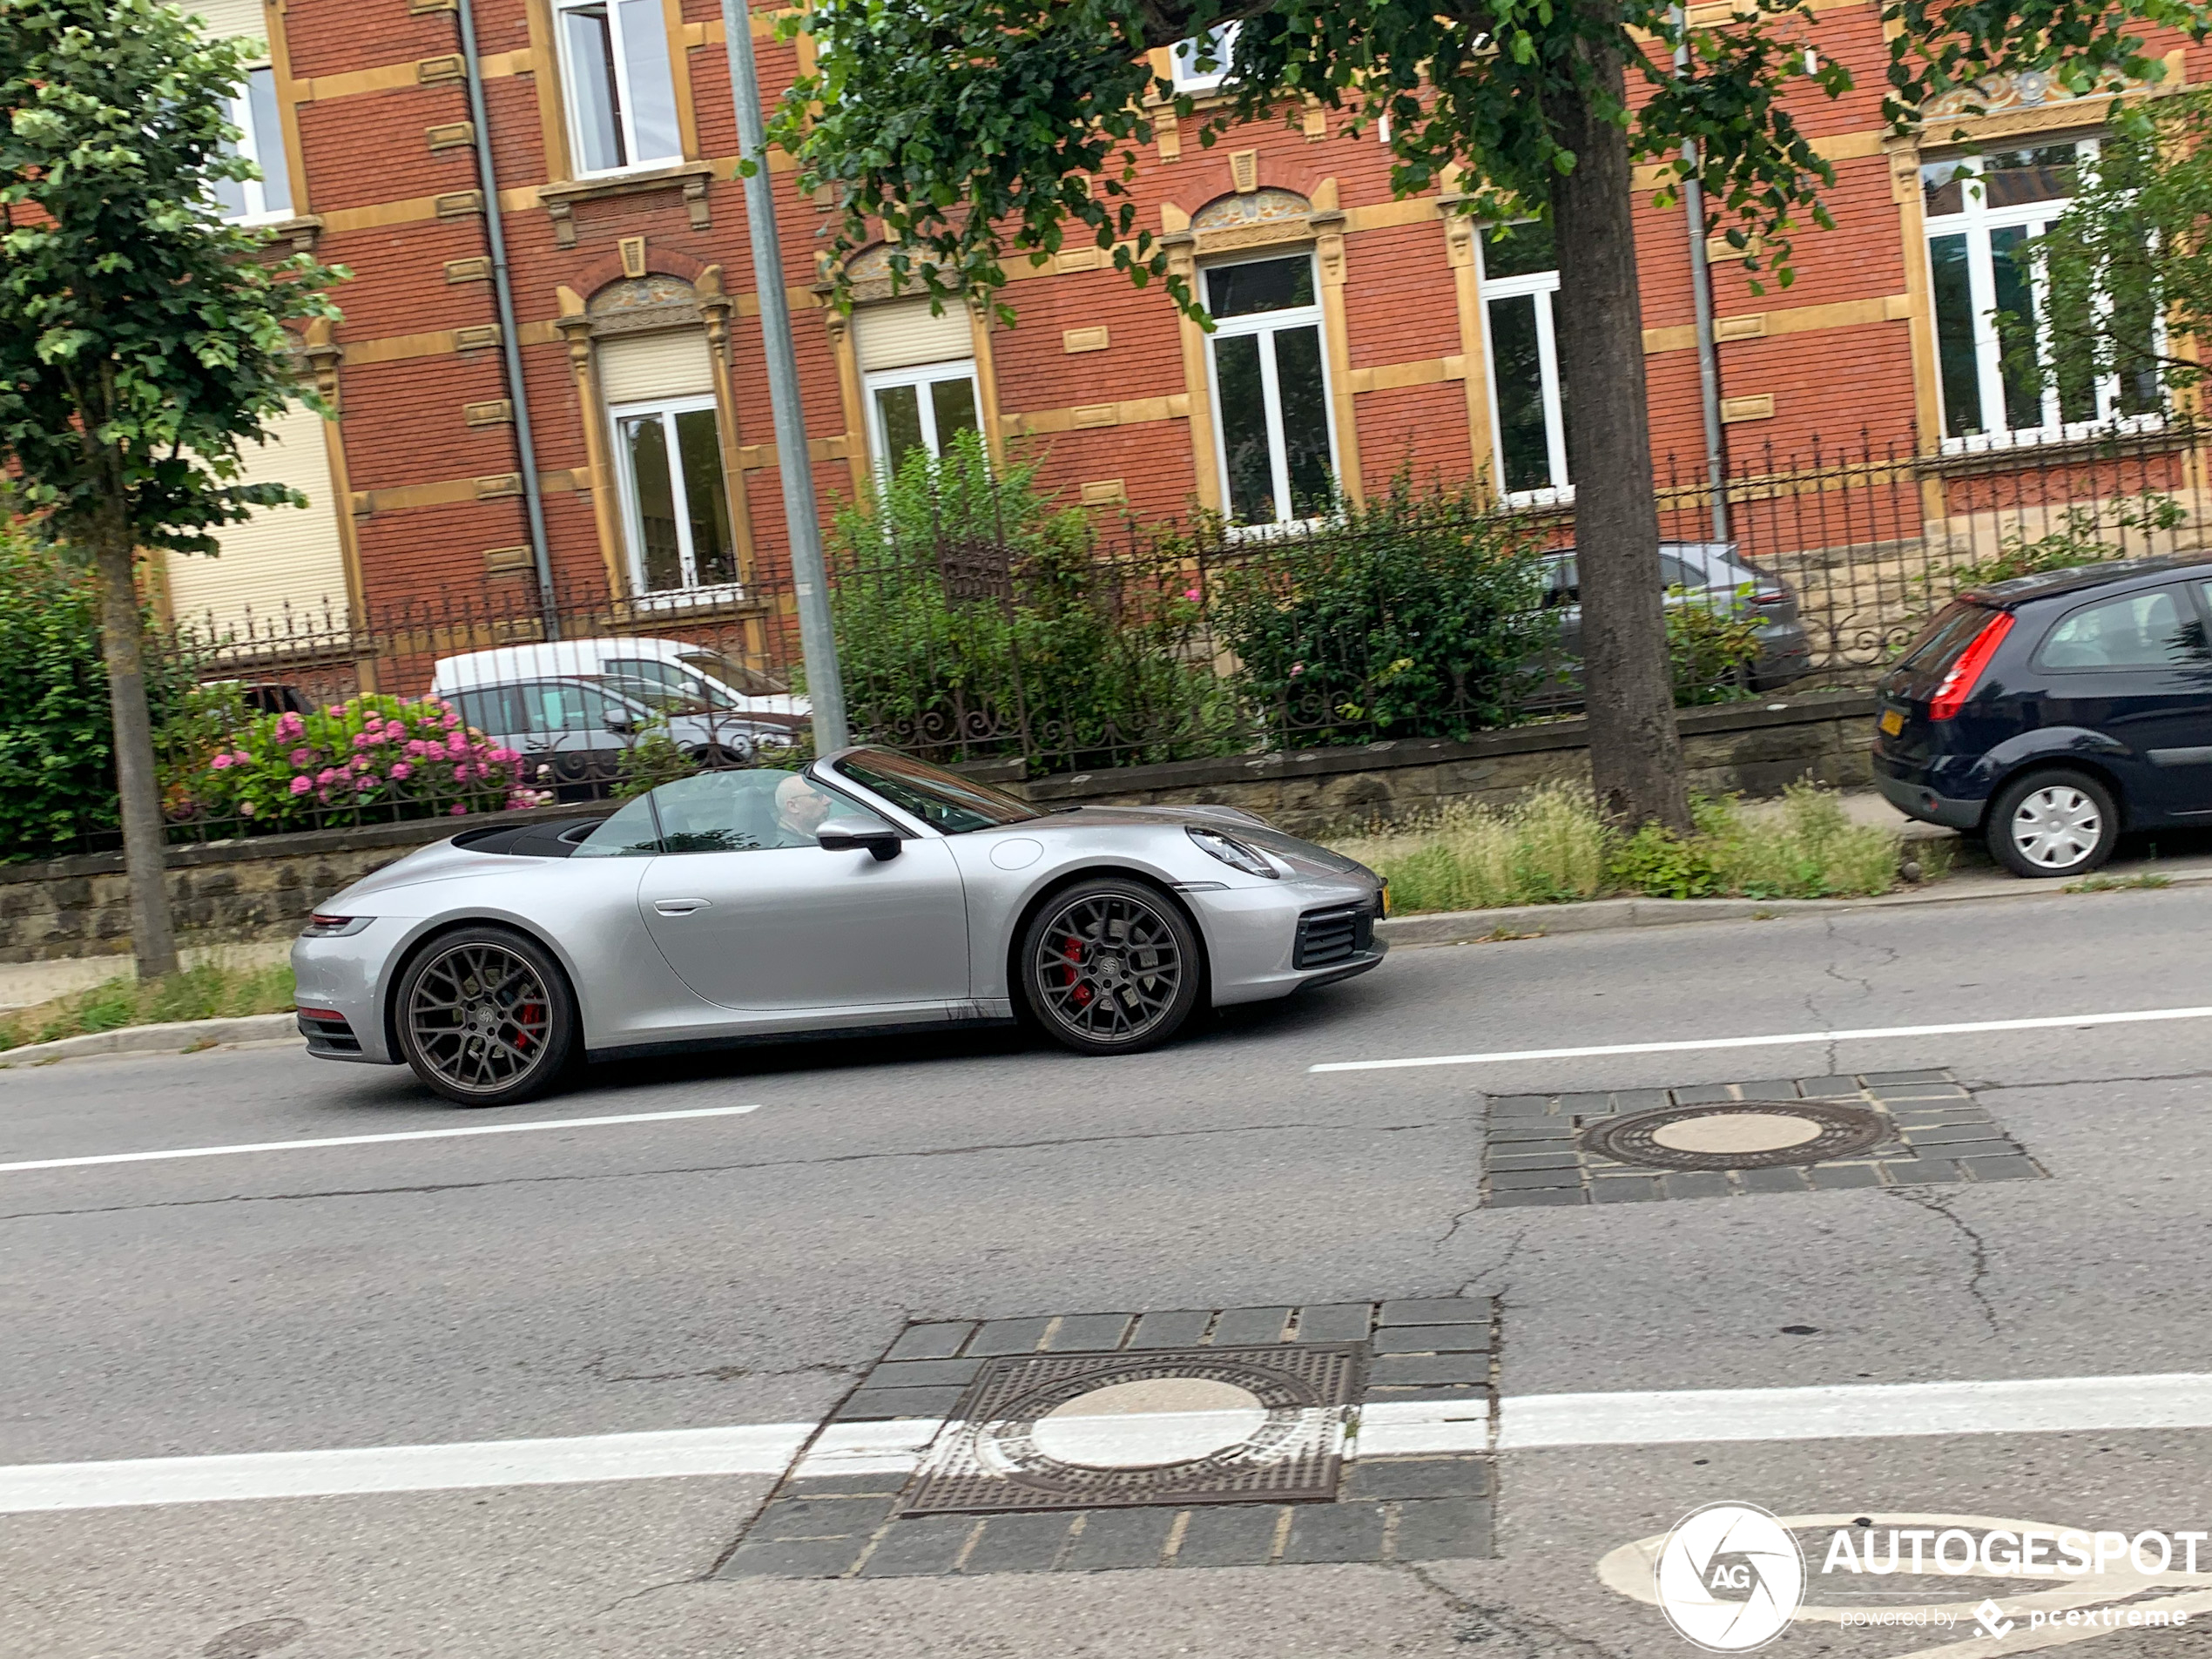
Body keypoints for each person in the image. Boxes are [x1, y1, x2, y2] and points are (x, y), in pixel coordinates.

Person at [770, 772, 844, 846]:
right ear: (793, 806)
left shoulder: (808, 839)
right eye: (818, 796)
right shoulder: (789, 850)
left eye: (825, 794)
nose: (828, 801)